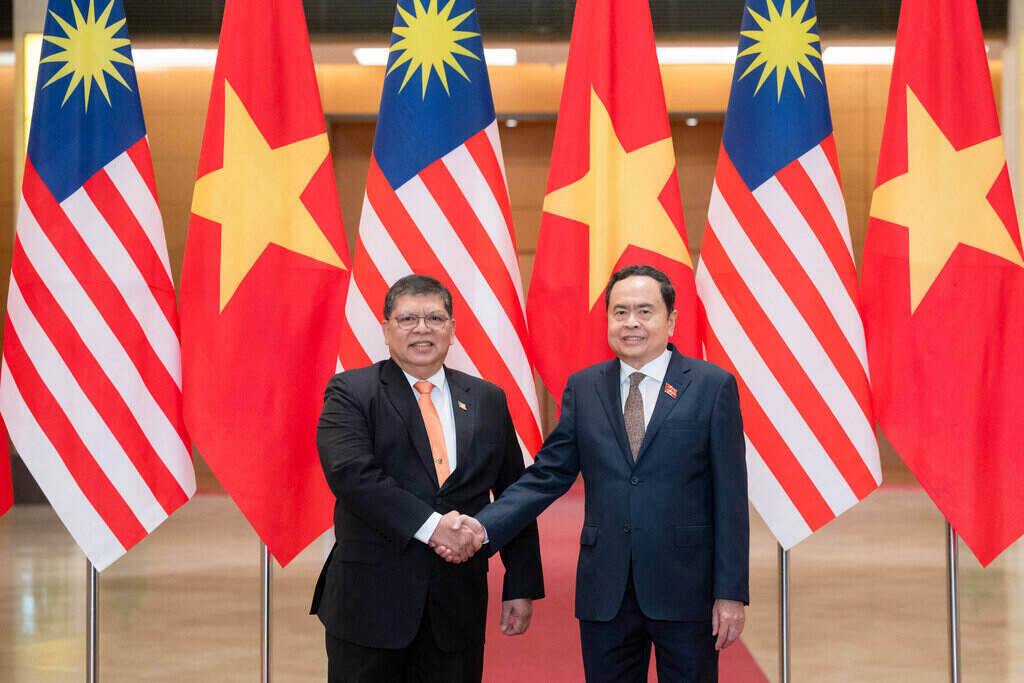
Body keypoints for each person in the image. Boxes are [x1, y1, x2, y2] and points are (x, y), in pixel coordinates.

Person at [452, 264, 748, 682]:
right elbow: (547, 475)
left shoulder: (711, 385)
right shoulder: (584, 387)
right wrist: (481, 528)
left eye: (645, 311)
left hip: (687, 589)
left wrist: (730, 593)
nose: (631, 323)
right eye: (620, 311)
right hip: (605, 589)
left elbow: (731, 499)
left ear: (672, 319)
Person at [311, 274, 544, 683]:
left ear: (452, 330)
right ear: (385, 330)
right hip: (369, 605)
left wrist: (520, 583)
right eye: (407, 319)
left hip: (456, 607)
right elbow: (351, 473)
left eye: (435, 318)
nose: (422, 329)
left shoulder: (487, 398)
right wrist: (434, 527)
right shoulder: (351, 391)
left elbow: (513, 493)